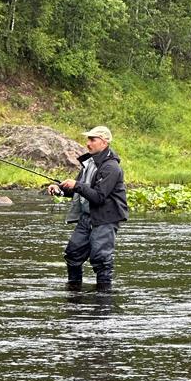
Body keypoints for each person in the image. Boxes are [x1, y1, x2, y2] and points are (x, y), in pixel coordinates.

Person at [47, 125, 128, 292]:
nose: (88, 143)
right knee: (73, 254)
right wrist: (60, 190)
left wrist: (77, 185)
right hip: (86, 218)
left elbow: (98, 196)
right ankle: (74, 292)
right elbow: (81, 191)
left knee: (101, 259)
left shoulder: (111, 167)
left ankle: (103, 299)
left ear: (104, 142)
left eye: (92, 139)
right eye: (88, 139)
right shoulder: (89, 163)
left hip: (105, 219)